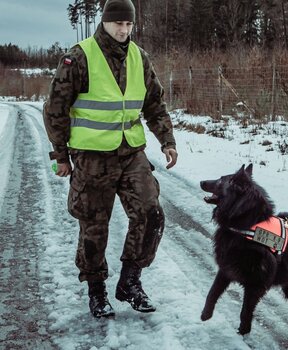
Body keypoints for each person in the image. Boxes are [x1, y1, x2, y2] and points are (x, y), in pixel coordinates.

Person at [43, 0, 178, 318]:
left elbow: (154, 103)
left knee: (151, 213)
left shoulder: (138, 57)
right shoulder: (79, 56)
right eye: (118, 23)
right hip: (92, 157)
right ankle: (96, 291)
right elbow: (56, 108)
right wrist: (60, 155)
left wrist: (167, 140)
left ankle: (130, 281)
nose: (124, 29)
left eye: (129, 24)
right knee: (94, 225)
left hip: (131, 152)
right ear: (104, 22)